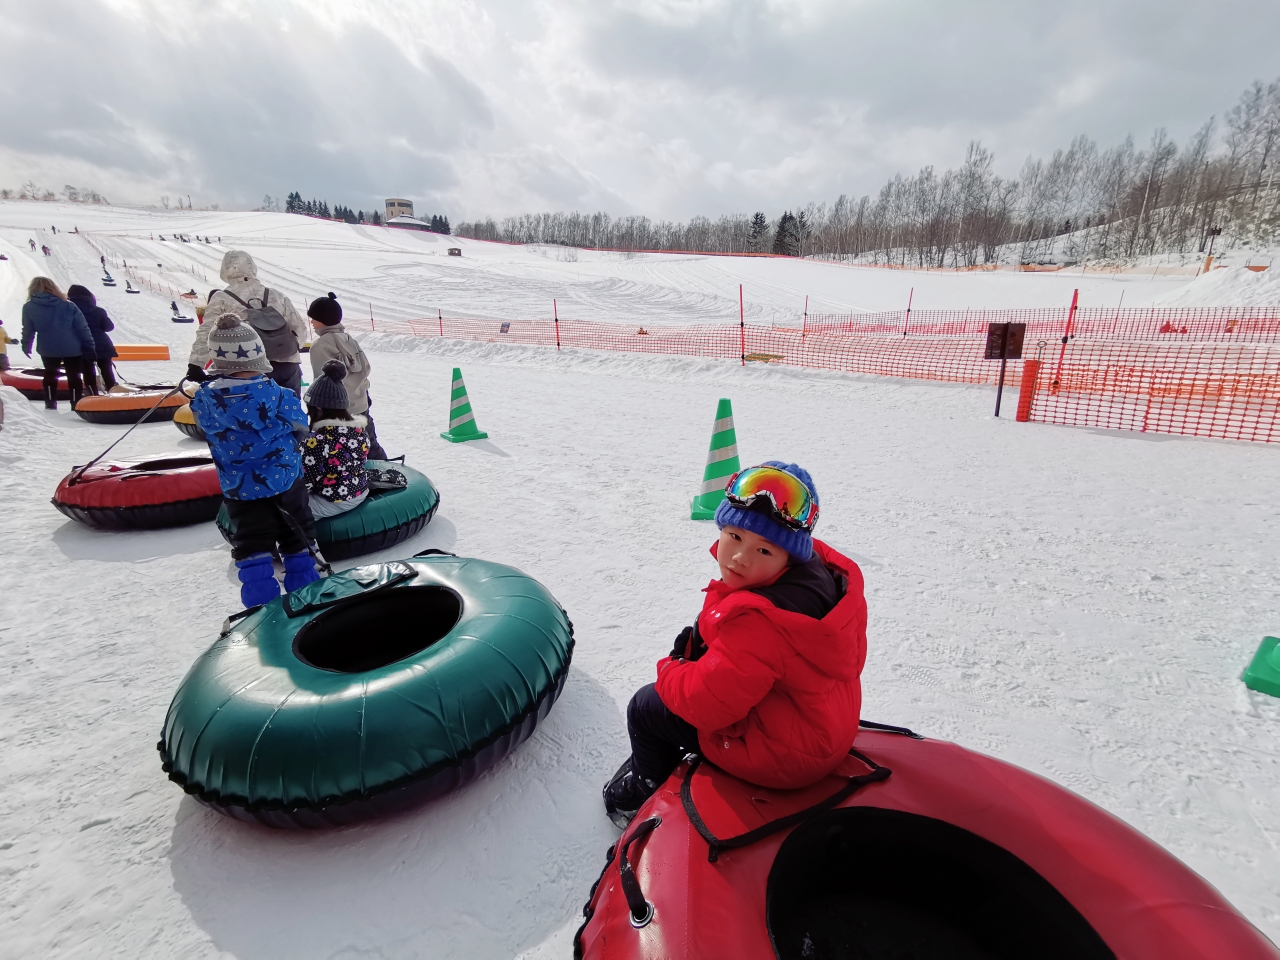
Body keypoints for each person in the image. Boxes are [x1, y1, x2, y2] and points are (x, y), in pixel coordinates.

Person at [602, 463, 867, 827]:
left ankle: (644, 789)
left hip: (785, 756)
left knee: (648, 707)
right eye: (736, 537)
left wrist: (673, 666)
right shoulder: (817, 578)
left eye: (764, 551)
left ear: (788, 557)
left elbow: (705, 707)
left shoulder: (760, 623)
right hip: (819, 730)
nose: (741, 557)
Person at [189, 313, 321, 608]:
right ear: (257, 358)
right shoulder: (279, 395)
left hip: (240, 488)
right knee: (297, 538)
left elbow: (200, 419)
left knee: (252, 546)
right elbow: (301, 425)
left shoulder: (205, 401)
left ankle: (262, 611)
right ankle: (308, 599)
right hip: (286, 481)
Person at [185, 250, 308, 396]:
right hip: (288, 367)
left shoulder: (222, 298)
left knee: (255, 415)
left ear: (225, 270)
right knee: (290, 413)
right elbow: (300, 329)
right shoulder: (276, 294)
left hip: (246, 371)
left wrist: (196, 364)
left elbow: (206, 333)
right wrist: (284, 349)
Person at [306, 292, 388, 459]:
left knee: (338, 453)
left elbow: (322, 383)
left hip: (337, 411)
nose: (312, 322)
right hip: (361, 404)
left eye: (313, 318)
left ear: (322, 320)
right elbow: (365, 368)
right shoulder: (349, 339)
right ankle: (387, 473)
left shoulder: (321, 346)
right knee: (370, 447)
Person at [302, 360, 370, 518]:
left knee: (288, 511)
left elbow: (306, 480)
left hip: (333, 499)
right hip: (360, 490)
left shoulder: (318, 441)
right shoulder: (360, 431)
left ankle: (305, 541)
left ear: (318, 409)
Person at [20, 277, 93, 409]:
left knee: (50, 374)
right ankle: (75, 403)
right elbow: (82, 327)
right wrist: (89, 345)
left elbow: (28, 329)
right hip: (72, 347)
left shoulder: (28, 307)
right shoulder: (68, 305)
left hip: (47, 347)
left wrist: (26, 345)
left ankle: (50, 402)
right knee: (74, 376)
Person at [66, 285, 118, 394]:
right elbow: (109, 327)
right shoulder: (98, 310)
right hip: (103, 346)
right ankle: (114, 395)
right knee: (107, 372)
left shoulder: (68, 311)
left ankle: (93, 396)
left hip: (82, 346)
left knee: (88, 372)